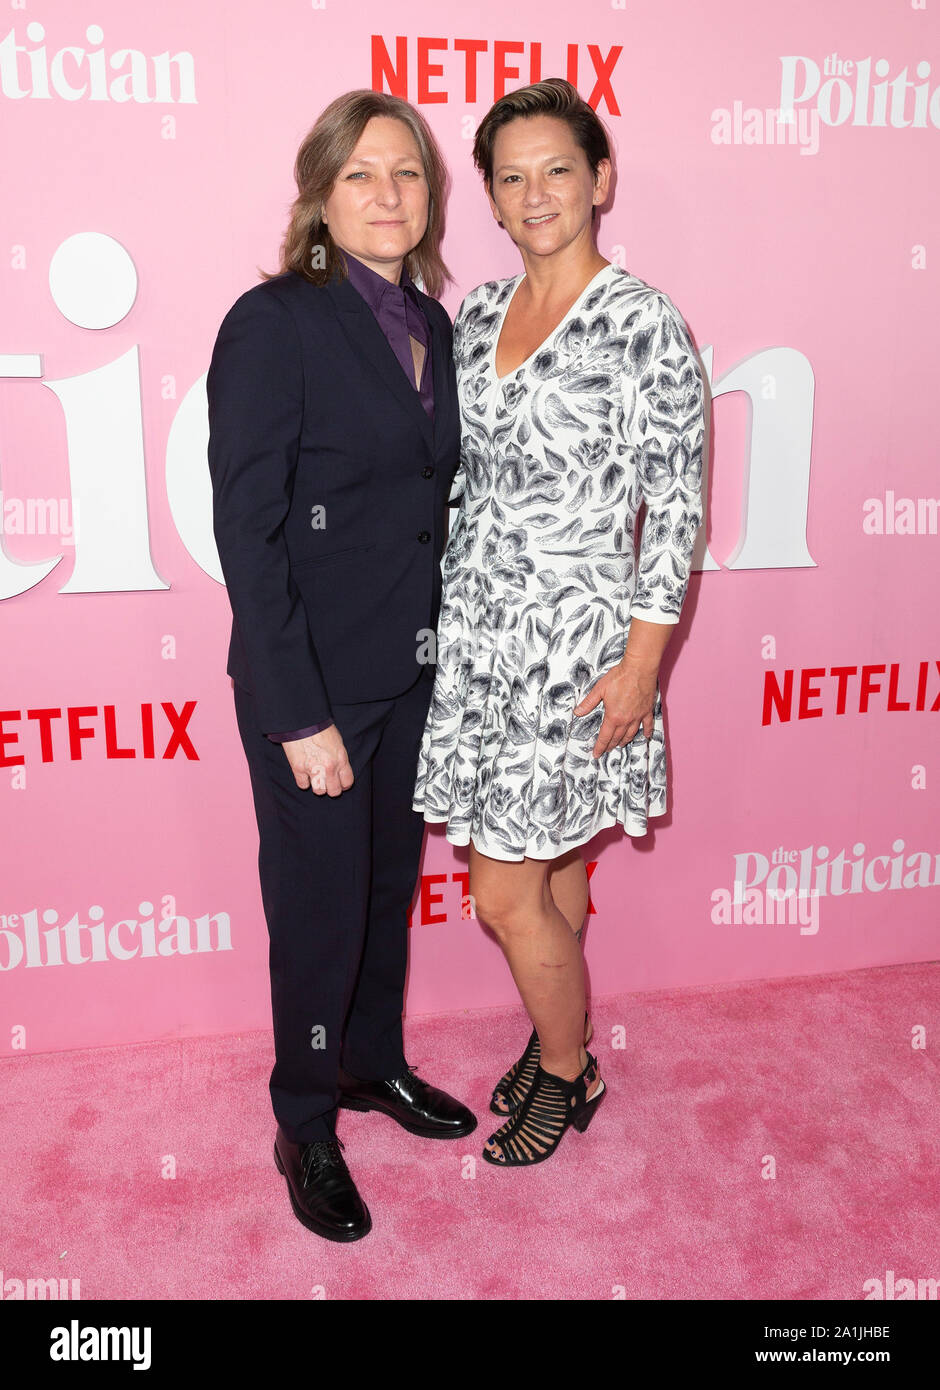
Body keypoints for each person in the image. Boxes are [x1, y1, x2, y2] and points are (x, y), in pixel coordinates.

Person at [412, 79, 706, 1167]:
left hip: (578, 653)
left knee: (501, 889)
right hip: (482, 640)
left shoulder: (643, 324)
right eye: (511, 176)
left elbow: (673, 507)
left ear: (601, 180)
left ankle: (571, 1069)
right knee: (556, 869)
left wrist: (642, 667)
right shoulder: (478, 314)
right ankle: (556, 1035)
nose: (536, 194)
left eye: (558, 170)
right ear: (488, 197)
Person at [207, 90, 476, 1243]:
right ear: (320, 194)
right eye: (361, 174)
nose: (387, 195)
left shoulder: (435, 325)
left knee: (379, 892)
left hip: (406, 672)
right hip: (312, 684)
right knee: (317, 907)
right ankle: (305, 1118)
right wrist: (296, 708)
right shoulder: (275, 321)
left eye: (407, 174)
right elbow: (247, 531)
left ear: (430, 196)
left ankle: (370, 1065)